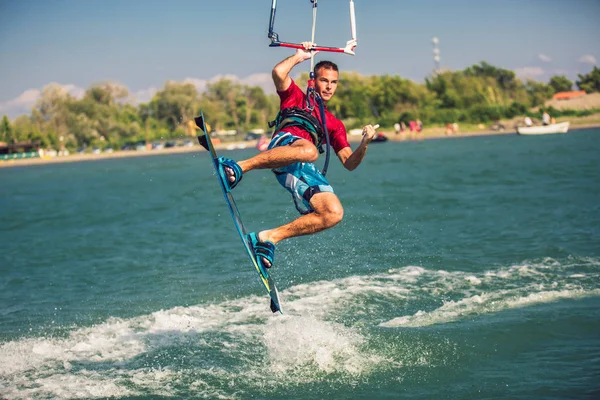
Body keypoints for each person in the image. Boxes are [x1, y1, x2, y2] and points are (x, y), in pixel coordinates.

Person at [218, 42, 378, 273]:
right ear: (313, 81)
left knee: (333, 213)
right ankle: (238, 167)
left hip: (303, 165)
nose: (329, 87)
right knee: (310, 151)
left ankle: (268, 238)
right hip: (286, 144)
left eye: (334, 82)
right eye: (324, 80)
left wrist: (364, 144)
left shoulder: (334, 124)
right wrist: (298, 56)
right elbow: (278, 73)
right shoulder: (295, 96)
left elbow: (349, 163)